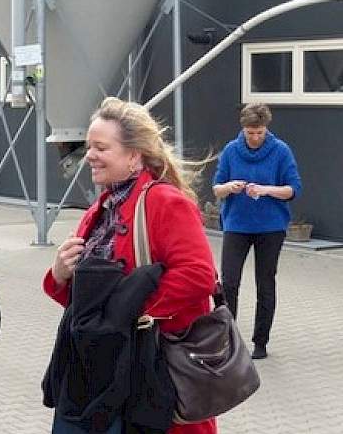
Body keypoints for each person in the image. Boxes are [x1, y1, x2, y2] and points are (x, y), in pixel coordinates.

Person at [43, 97, 218, 434]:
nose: (89, 155)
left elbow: (199, 276)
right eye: (89, 145)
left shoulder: (164, 201)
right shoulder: (102, 207)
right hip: (107, 374)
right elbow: (89, 307)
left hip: (154, 374)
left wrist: (132, 314)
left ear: (134, 156)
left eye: (101, 147)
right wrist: (60, 275)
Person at [211, 102, 301, 360]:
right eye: (250, 132)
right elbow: (217, 187)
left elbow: (293, 189)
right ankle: (227, 339)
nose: (255, 137)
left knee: (265, 283)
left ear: (266, 129)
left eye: (259, 132)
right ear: (243, 129)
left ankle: (261, 342)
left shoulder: (281, 151)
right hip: (237, 225)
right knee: (229, 283)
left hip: (270, 227)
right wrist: (230, 186)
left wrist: (265, 190)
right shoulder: (231, 150)